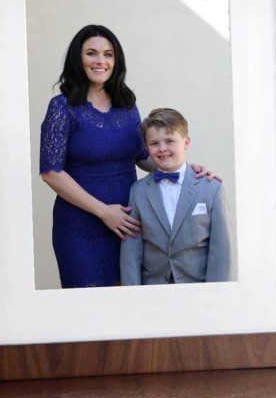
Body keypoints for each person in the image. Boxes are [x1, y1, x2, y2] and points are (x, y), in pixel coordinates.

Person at [39, 25, 212, 288]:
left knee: (131, 309)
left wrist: (187, 171)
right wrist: (104, 212)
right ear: (78, 58)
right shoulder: (62, 108)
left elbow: (143, 157)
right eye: (91, 53)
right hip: (81, 230)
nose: (101, 61)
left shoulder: (127, 105)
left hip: (131, 225)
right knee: (90, 311)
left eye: (108, 54)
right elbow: (51, 172)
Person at [120, 108, 234, 285]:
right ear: (147, 147)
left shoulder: (211, 188)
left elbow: (221, 251)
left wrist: (216, 296)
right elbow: (131, 254)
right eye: (154, 143)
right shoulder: (138, 191)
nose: (162, 149)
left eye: (170, 141)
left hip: (198, 289)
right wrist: (132, 296)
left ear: (186, 142)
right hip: (153, 290)